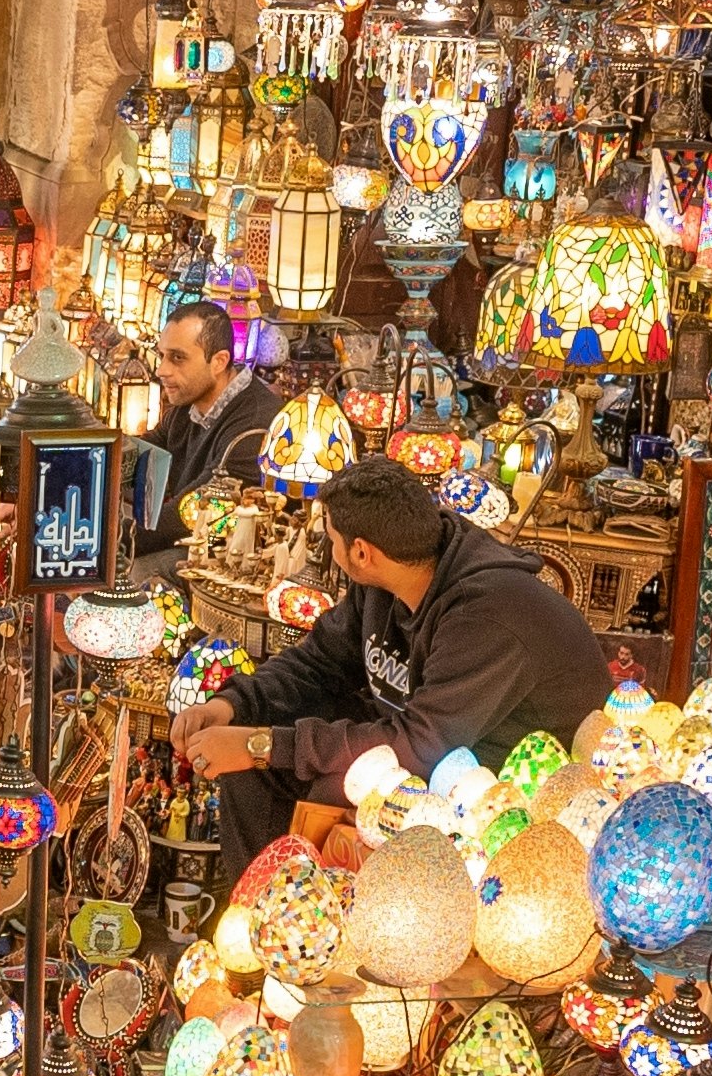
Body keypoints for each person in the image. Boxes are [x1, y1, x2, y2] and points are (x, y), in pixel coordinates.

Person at [171, 458, 617, 866]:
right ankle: (260, 913)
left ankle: (315, 919)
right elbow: (319, 660)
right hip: (429, 742)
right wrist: (231, 705)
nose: (329, 549)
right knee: (254, 772)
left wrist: (263, 745)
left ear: (362, 552)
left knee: (323, 784)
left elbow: (421, 746)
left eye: (330, 539)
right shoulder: (390, 574)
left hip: (503, 787)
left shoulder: (487, 616)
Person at [137, 299, 293, 532]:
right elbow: (141, 452)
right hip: (191, 536)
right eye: (162, 356)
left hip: (220, 551)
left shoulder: (254, 427)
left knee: (132, 568)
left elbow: (191, 513)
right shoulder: (190, 397)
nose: (162, 370)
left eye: (178, 358)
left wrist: (111, 539)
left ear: (219, 361)